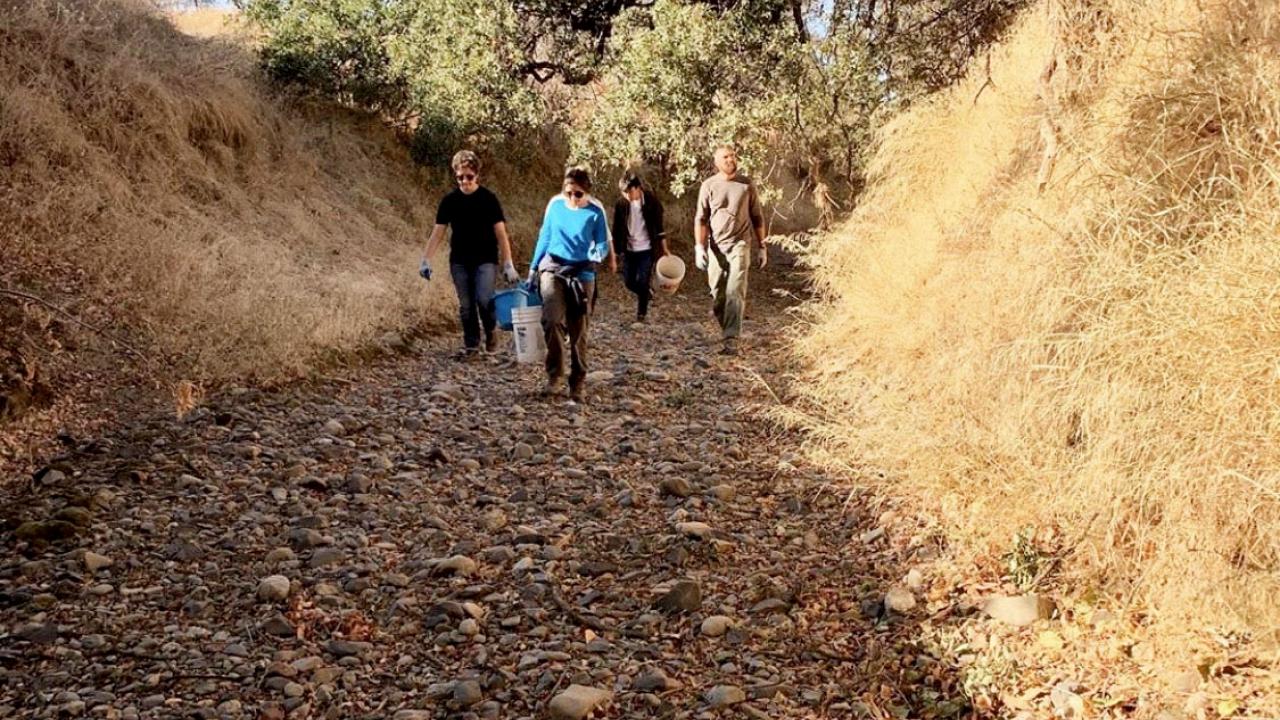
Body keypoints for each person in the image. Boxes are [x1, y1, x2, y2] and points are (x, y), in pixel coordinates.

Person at [528, 167, 616, 403]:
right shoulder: (555, 206)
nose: (572, 199)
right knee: (552, 320)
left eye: (578, 194)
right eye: (568, 193)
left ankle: (577, 381)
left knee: (579, 329)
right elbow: (544, 237)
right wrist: (533, 268)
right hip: (553, 268)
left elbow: (602, 243)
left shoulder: (596, 212)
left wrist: (597, 253)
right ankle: (554, 375)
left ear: (586, 193)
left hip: (582, 272)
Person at [420, 150, 519, 356]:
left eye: (469, 177)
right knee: (466, 305)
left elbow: (501, 234)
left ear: (477, 175)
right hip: (460, 260)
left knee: (484, 299)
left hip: (486, 259)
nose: (464, 181)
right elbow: (438, 232)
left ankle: (491, 331)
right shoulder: (450, 201)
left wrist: (508, 263)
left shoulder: (488, 199)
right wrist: (426, 259)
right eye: (459, 177)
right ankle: (471, 345)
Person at [694, 145, 767, 355]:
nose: (730, 159)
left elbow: (757, 216)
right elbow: (701, 218)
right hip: (716, 245)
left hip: (740, 243)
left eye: (733, 156)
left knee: (735, 289)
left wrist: (762, 246)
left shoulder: (746, 185)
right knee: (718, 294)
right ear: (717, 162)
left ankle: (732, 339)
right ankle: (727, 328)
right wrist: (699, 247)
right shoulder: (709, 186)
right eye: (725, 157)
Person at [611, 172, 667, 324]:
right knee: (629, 281)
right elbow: (616, 229)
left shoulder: (651, 201)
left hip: (647, 248)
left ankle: (641, 314)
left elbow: (659, 226)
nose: (627, 195)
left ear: (638, 188)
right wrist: (615, 253)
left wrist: (664, 249)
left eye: (629, 192)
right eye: (624, 192)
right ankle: (647, 292)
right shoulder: (621, 204)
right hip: (629, 248)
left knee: (643, 279)